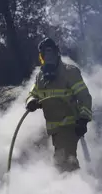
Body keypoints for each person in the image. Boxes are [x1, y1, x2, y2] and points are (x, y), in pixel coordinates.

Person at [25, 38, 93, 172]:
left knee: (65, 163)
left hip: (69, 127)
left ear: (57, 53)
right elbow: (32, 94)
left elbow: (84, 97)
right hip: (53, 130)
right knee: (61, 162)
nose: (48, 57)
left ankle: (73, 190)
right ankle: (73, 187)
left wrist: (83, 120)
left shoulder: (70, 72)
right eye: (45, 54)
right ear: (42, 56)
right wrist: (31, 101)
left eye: (51, 53)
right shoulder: (41, 77)